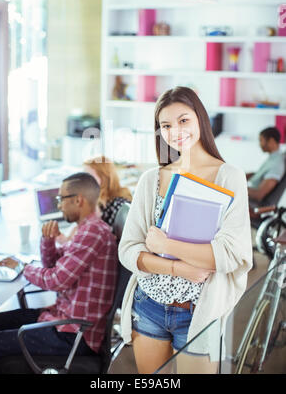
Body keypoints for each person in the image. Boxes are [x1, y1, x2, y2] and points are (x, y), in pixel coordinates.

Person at [118, 86, 252, 374]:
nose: (175, 131)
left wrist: (165, 245)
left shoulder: (229, 176)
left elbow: (231, 255)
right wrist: (182, 269)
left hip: (198, 312)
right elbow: (128, 251)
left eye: (183, 120)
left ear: (200, 119)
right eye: (165, 125)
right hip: (148, 305)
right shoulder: (151, 179)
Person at [0, 172, 118, 373]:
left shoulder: (93, 232)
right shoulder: (85, 230)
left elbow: (56, 280)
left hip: (72, 335)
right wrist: (48, 240)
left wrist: (21, 267)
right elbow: (53, 267)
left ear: (77, 200)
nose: (58, 205)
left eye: (61, 199)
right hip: (60, 320)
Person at [83, 156, 132, 228]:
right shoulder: (98, 201)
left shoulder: (119, 205)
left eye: (88, 176)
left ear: (103, 178)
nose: (84, 181)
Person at [247, 127, 285, 205]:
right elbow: (262, 175)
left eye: (261, 140)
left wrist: (237, 186)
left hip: (253, 204)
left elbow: (258, 195)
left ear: (271, 141)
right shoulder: (273, 158)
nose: (259, 144)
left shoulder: (277, 164)